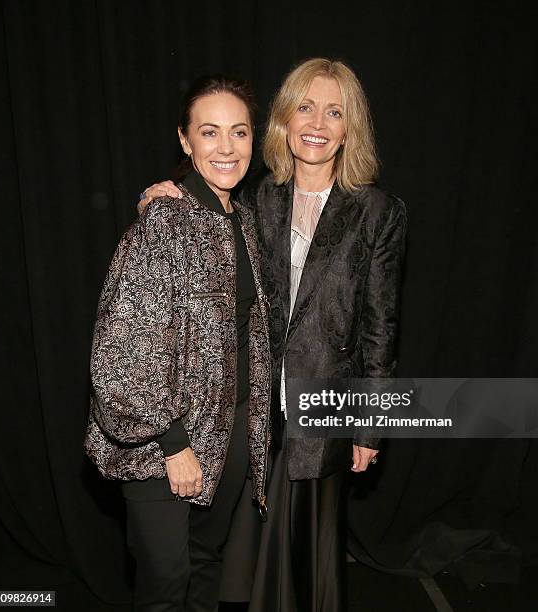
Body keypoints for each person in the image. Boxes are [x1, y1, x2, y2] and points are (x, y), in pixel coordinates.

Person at [139, 58, 407, 611]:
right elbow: (203, 221)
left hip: (326, 408)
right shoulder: (256, 198)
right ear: (285, 119)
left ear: (350, 126)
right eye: (305, 107)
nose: (317, 122)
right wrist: (167, 192)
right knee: (237, 556)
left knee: (306, 562)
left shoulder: (378, 212)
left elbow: (381, 328)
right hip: (253, 410)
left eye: (335, 112)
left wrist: (370, 428)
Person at [84, 75, 271, 612]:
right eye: (209, 133)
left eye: (238, 132)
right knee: (165, 588)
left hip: (231, 431)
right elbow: (119, 354)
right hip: (162, 446)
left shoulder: (245, 221)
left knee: (206, 569)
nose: (226, 147)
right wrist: (173, 443)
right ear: (186, 142)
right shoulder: (164, 220)